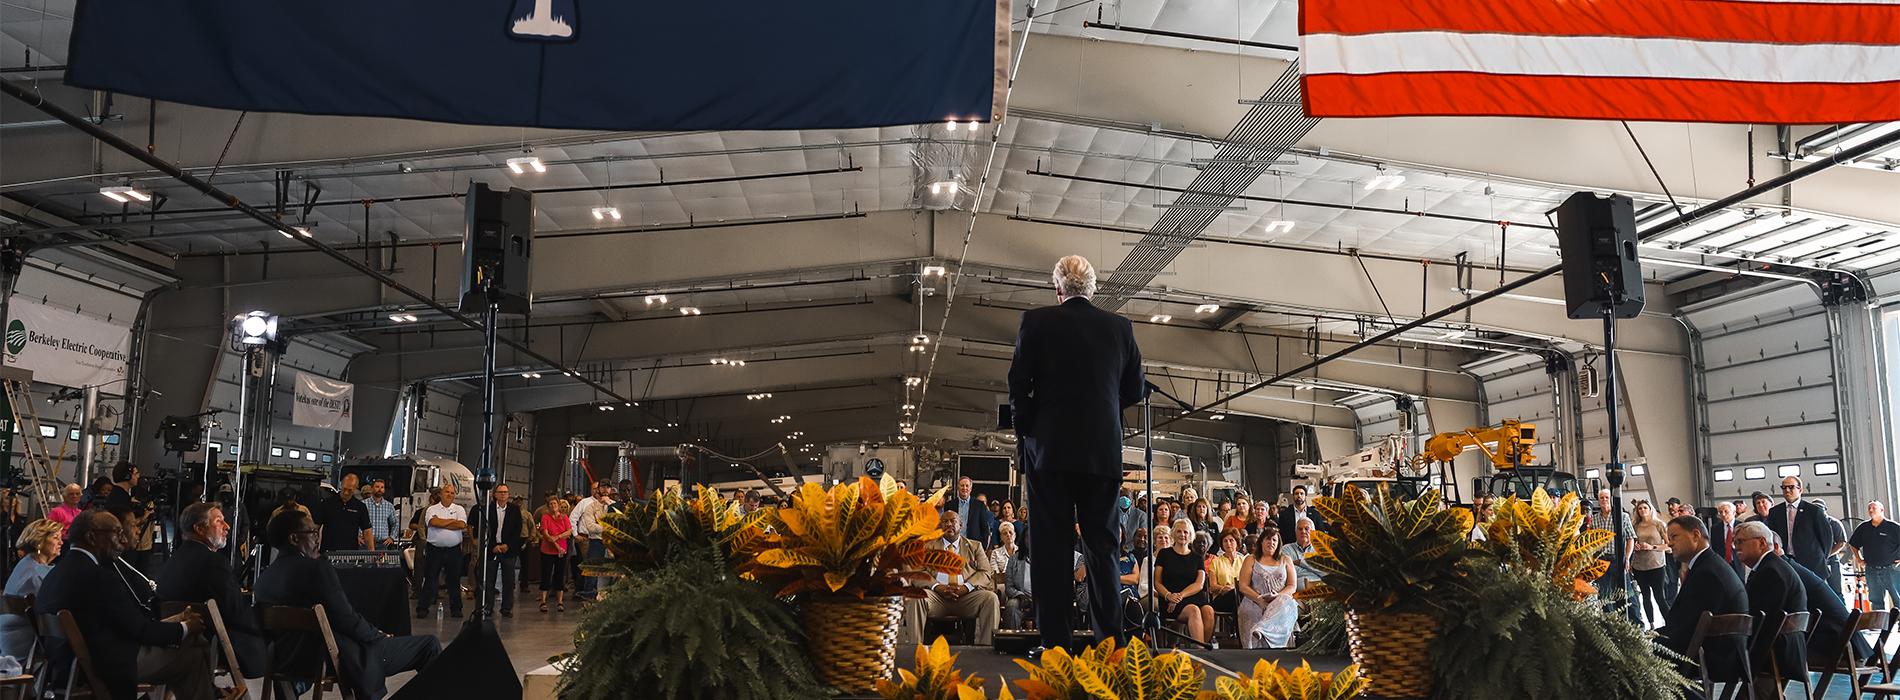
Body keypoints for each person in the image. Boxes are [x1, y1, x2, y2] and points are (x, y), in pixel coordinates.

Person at [1006, 254, 1145, 655]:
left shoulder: (1036, 322)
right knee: (1102, 548)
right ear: (1093, 287)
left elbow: (1018, 385)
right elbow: (1135, 389)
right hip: (1101, 453)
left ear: (1058, 289)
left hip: (1049, 455)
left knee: (1051, 548)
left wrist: (1028, 430)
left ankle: (1056, 645)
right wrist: (1103, 406)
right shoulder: (1120, 328)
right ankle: (1111, 644)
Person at [257, 509, 441, 700]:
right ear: (294, 538)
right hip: (333, 656)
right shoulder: (317, 569)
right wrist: (378, 636)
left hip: (287, 660)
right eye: (311, 532)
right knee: (429, 645)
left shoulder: (264, 579)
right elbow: (346, 619)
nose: (317, 538)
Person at [38, 510, 211, 699]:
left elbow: (121, 622)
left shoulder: (55, 574)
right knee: (194, 657)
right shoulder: (98, 577)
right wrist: (184, 628)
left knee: (189, 652)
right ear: (91, 537)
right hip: (106, 666)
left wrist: (176, 624)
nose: (124, 541)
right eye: (117, 533)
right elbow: (139, 630)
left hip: (65, 667)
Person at [156, 503, 266, 677]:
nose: (227, 526)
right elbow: (235, 612)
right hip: (211, 643)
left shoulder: (173, 560)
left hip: (177, 642)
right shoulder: (214, 562)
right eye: (219, 521)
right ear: (199, 528)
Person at [1658, 515, 1748, 695]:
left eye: (1674, 536)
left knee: (1630, 658)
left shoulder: (1707, 573)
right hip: (1718, 650)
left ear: (1696, 535)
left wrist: (1648, 640)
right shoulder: (1709, 565)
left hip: (1712, 655)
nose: (1669, 543)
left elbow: (1688, 628)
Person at [902, 511, 1000, 646]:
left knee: (991, 598)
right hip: (937, 598)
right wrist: (937, 587)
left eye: (953, 521)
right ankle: (914, 648)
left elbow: (985, 572)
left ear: (960, 524)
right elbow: (918, 572)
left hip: (967, 598)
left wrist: (966, 587)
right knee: (916, 599)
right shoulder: (927, 546)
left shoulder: (975, 546)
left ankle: (987, 646)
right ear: (939, 526)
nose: (949, 524)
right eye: (945, 521)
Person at [1733, 521, 1807, 695]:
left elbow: (1761, 619)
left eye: (1741, 542)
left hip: (1775, 652)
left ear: (1760, 542)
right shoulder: (1771, 567)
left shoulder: (1770, 571)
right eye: (1735, 543)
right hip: (1783, 647)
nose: (1736, 547)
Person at [1, 519, 60, 660]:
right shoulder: (36, 573)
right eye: (56, 537)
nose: (61, 542)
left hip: (9, 642)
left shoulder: (26, 564)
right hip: (25, 647)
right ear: (39, 542)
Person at [1153, 519, 1215, 645]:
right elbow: (1157, 582)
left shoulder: (1197, 557)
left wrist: (1180, 596)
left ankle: (1201, 649)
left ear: (1190, 535)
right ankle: (1201, 653)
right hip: (1169, 599)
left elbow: (1199, 584)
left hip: (1190, 596)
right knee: (1194, 610)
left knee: (1209, 611)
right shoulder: (1164, 554)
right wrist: (1169, 596)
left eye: (1186, 532)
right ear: (1173, 533)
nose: (1182, 535)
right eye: (1179, 531)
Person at [1237, 523, 1298, 649]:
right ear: (1261, 542)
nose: (1271, 542)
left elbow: (1292, 586)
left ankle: (1262, 629)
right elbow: (1243, 586)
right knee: (1253, 610)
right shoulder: (1251, 559)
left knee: (1289, 602)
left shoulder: (1286, 559)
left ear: (1279, 543)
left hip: (1279, 600)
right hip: (1254, 600)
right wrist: (1259, 600)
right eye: (1268, 539)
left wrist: (1277, 597)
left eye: (1274, 540)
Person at [470, 483, 524, 617]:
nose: (503, 494)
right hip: (491, 549)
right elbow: (484, 530)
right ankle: (488, 606)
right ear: (495, 494)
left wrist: (508, 545)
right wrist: (493, 545)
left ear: (508, 494)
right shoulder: (487, 509)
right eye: (500, 492)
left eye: (505, 492)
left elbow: (517, 530)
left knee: (509, 580)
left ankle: (506, 608)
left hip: (508, 550)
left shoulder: (514, 510)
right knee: (489, 580)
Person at [417, 484, 468, 618]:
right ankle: (422, 608)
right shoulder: (431, 509)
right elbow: (432, 523)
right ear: (440, 494)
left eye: (452, 493)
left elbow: (462, 525)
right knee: (430, 579)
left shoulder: (459, 509)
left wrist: (442, 522)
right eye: (447, 492)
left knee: (454, 581)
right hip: (434, 550)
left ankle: (456, 609)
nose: (449, 495)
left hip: (454, 551)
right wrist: (451, 522)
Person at [1766, 477, 1833, 577]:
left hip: (1811, 563)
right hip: (1785, 561)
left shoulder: (1814, 511)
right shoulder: (1775, 512)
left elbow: (1826, 538)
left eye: (1791, 487)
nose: (1787, 490)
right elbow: (1772, 535)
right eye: (1784, 487)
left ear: (1800, 490)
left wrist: (1822, 558)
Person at [1629, 500, 1672, 624]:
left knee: (1660, 597)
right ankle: (1651, 624)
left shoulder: (1659, 524)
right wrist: (1635, 546)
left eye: (1645, 508)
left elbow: (1669, 546)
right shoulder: (1635, 525)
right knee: (1645, 597)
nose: (1642, 510)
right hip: (1639, 566)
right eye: (1640, 508)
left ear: (1650, 509)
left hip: (1656, 565)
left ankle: (1670, 624)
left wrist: (1652, 547)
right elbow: (1631, 542)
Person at [1853, 501, 1900, 610]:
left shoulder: (1893, 527)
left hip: (1891, 569)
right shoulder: (1864, 527)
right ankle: (1879, 625)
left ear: (1882, 510)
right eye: (1869, 508)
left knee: (1897, 597)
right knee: (1875, 599)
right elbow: (1853, 544)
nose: (1871, 510)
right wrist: (1859, 559)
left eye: (1874, 508)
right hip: (1871, 570)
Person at [569, 481, 611, 603]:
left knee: (599, 568)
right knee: (588, 567)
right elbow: (573, 517)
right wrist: (575, 534)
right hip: (587, 538)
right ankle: (583, 592)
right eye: (594, 489)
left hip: (606, 540)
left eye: (599, 488)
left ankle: (594, 592)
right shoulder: (585, 503)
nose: (596, 491)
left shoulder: (611, 504)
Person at [316, 473, 373, 553]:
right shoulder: (327, 504)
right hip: (328, 551)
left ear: (356, 488)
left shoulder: (360, 507)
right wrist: (313, 548)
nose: (346, 493)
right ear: (341, 485)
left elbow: (367, 531)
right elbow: (316, 527)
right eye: (344, 489)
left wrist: (372, 552)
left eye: (350, 490)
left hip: (350, 553)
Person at [941, 477, 997, 550]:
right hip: (953, 545)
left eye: (967, 486)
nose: (964, 488)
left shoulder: (979, 505)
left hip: (973, 546)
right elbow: (945, 526)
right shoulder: (950, 505)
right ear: (958, 487)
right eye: (962, 485)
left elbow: (985, 529)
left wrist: (982, 548)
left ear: (970, 488)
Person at [538, 496, 572, 613]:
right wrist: (557, 545)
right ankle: (543, 601)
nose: (553, 506)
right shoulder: (545, 517)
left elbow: (569, 531)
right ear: (548, 506)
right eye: (551, 504)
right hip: (547, 550)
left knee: (560, 575)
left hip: (561, 551)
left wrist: (558, 537)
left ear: (558, 504)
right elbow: (546, 535)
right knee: (546, 575)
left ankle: (560, 602)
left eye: (555, 504)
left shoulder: (564, 517)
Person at [1813, 499, 1849, 595]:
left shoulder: (1834, 523)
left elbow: (1841, 543)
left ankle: (1840, 609)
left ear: (1825, 509)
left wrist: (1827, 555)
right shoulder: (1807, 524)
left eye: (1819, 509)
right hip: (1813, 560)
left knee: (1835, 589)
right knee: (1815, 589)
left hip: (1831, 560)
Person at [1206, 529, 1245, 615]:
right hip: (1222, 598)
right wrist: (1224, 588)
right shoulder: (1215, 561)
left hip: (1240, 596)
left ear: (1237, 542)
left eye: (1231, 540)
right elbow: (1212, 587)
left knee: (1241, 597)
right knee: (1235, 595)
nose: (1228, 543)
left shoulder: (1244, 561)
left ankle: (1235, 625)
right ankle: (1237, 626)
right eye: (1225, 541)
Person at [1282, 518, 1323, 591]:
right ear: (1295, 532)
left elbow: (1325, 572)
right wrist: (1313, 567)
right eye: (1300, 529)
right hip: (1296, 594)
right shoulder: (1286, 549)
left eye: (1306, 529)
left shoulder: (1321, 550)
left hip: (1321, 589)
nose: (1303, 531)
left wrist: (1301, 562)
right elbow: (1285, 571)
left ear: (1313, 532)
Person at [363, 479, 400, 550]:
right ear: (372, 488)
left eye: (382, 487)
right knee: (366, 561)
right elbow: (355, 522)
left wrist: (392, 537)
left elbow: (395, 523)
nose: (380, 489)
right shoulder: (363, 504)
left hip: (383, 544)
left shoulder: (389, 506)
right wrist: (357, 537)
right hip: (365, 543)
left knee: (382, 561)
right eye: (377, 487)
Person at [1711, 501, 1739, 568]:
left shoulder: (1741, 525)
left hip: (1739, 561)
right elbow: (1714, 547)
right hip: (1722, 563)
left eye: (1726, 511)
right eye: (1720, 512)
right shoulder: (1715, 528)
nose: (1723, 514)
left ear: (1734, 512)